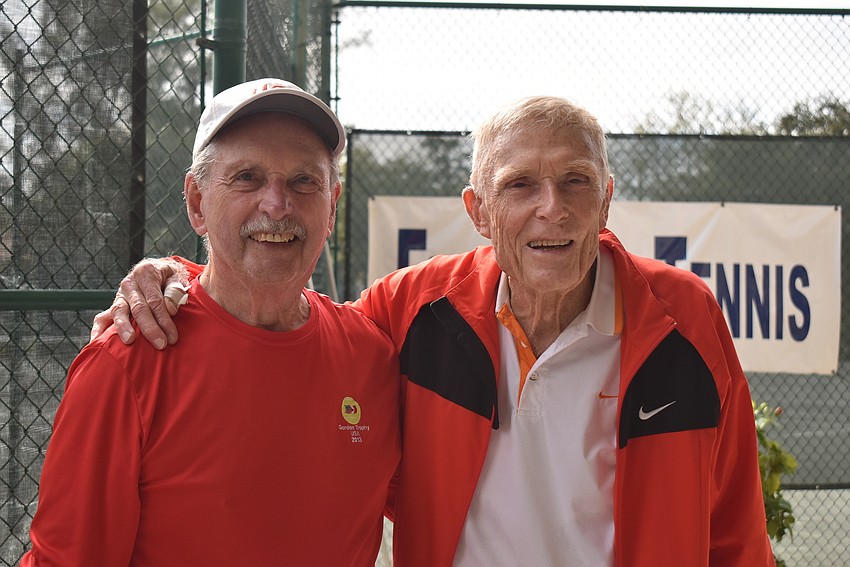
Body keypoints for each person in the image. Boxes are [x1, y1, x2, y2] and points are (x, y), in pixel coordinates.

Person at [93, 96, 775, 566]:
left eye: (575, 182)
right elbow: (278, 314)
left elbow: (737, 531)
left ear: (605, 199)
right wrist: (176, 273)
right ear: (477, 210)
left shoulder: (683, 317)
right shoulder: (414, 309)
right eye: (519, 185)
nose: (551, 208)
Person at [22, 78, 401, 566]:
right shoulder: (128, 360)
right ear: (197, 202)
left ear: (332, 206)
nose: (276, 204)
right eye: (246, 177)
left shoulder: (373, 355)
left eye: (304, 181)